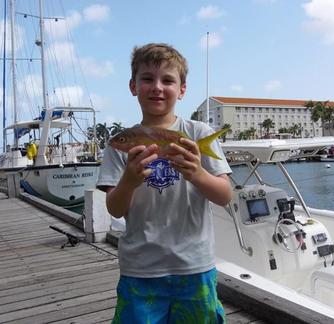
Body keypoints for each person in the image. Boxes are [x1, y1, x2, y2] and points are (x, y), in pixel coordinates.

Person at [96, 43, 232, 323]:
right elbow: (115, 208)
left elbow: (224, 195)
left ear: (182, 89)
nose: (157, 87)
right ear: (133, 86)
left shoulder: (197, 132)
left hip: (194, 266)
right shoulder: (121, 144)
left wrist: (197, 173)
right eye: (147, 79)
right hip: (140, 269)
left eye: (167, 80)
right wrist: (129, 181)